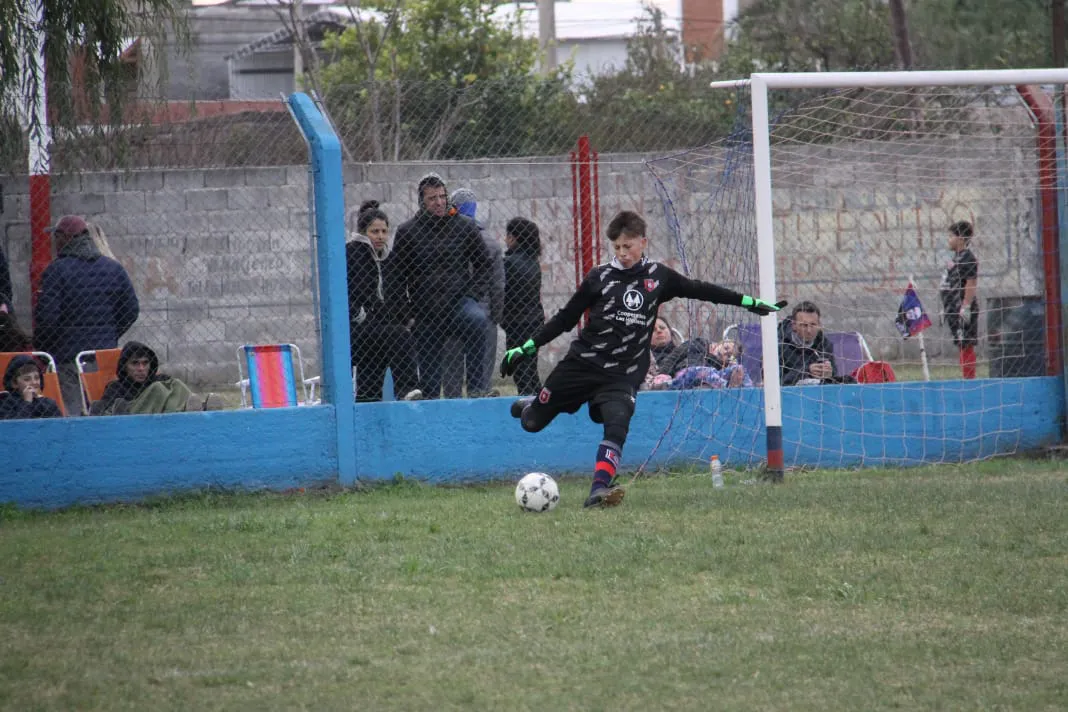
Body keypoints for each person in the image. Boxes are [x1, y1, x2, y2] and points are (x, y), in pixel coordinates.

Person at [502, 210, 784, 509]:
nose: (622, 254)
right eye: (617, 248)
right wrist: (526, 347)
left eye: (628, 246)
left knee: (616, 423)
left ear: (643, 242)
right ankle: (534, 405)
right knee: (532, 424)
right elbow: (565, 318)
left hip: (622, 374)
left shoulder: (658, 277)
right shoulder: (599, 277)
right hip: (581, 365)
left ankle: (599, 490)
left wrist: (749, 303)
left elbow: (702, 289)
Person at [386, 173, 494, 399]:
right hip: (425, 310)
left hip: (459, 303)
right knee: (430, 383)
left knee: (477, 321)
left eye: (442, 196)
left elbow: (484, 264)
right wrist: (406, 315)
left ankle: (476, 390)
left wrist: (473, 295)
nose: (439, 202)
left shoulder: (464, 227)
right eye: (432, 198)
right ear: (421, 202)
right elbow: (394, 278)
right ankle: (430, 404)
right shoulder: (408, 232)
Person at [33, 215, 139, 415]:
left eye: (56, 236)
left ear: (66, 238)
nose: (54, 242)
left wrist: (44, 347)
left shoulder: (56, 271)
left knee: (72, 412)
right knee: (102, 408)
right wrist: (110, 333)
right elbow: (131, 310)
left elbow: (47, 319)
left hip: (67, 357)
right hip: (102, 354)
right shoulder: (113, 268)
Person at [346, 200, 422, 402]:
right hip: (355, 330)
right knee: (399, 337)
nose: (380, 237)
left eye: (384, 231)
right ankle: (407, 388)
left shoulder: (389, 258)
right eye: (374, 231)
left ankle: (366, 404)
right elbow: (344, 293)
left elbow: (397, 295)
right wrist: (359, 315)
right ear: (364, 232)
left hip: (380, 331)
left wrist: (407, 319)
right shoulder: (351, 253)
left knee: (371, 378)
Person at [440, 187, 504, 398]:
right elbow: (497, 284)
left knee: (451, 370)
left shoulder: (445, 239)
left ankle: (452, 408)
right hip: (483, 314)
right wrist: (496, 315)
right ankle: (481, 400)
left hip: (452, 311)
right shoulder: (491, 243)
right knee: (482, 373)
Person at [88, 341, 220, 415]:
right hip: (135, 422)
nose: (141, 368)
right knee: (158, 389)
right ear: (125, 366)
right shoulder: (116, 387)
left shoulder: (161, 380)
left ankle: (200, 409)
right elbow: (103, 412)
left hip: (165, 423)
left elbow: (175, 390)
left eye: (145, 363)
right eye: (135, 363)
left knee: (176, 383)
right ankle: (188, 412)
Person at [501, 217, 545, 396]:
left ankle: (528, 406)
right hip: (534, 321)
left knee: (520, 370)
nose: (505, 240)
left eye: (508, 235)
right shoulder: (533, 262)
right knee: (530, 368)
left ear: (514, 237)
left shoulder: (509, 263)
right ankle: (539, 400)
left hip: (516, 323)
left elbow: (505, 292)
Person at [939, 220, 979, 379]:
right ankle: (966, 377)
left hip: (962, 309)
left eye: (951, 236)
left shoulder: (968, 257)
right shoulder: (956, 258)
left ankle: (969, 379)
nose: (948, 239)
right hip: (952, 309)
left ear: (961, 238)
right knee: (960, 343)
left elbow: (971, 282)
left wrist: (966, 306)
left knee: (966, 344)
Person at [778, 301, 837, 386]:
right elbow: (775, 382)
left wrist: (829, 373)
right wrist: (807, 371)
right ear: (794, 325)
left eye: (813, 324)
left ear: (819, 325)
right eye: (804, 325)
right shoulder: (779, 346)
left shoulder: (825, 344)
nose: (809, 330)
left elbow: (834, 376)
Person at [0, 354, 63, 420]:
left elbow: (60, 424)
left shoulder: (47, 402)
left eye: (37, 378)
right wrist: (27, 402)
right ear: (14, 383)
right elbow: (14, 426)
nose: (34, 382)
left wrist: (41, 402)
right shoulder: (6, 402)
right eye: (27, 379)